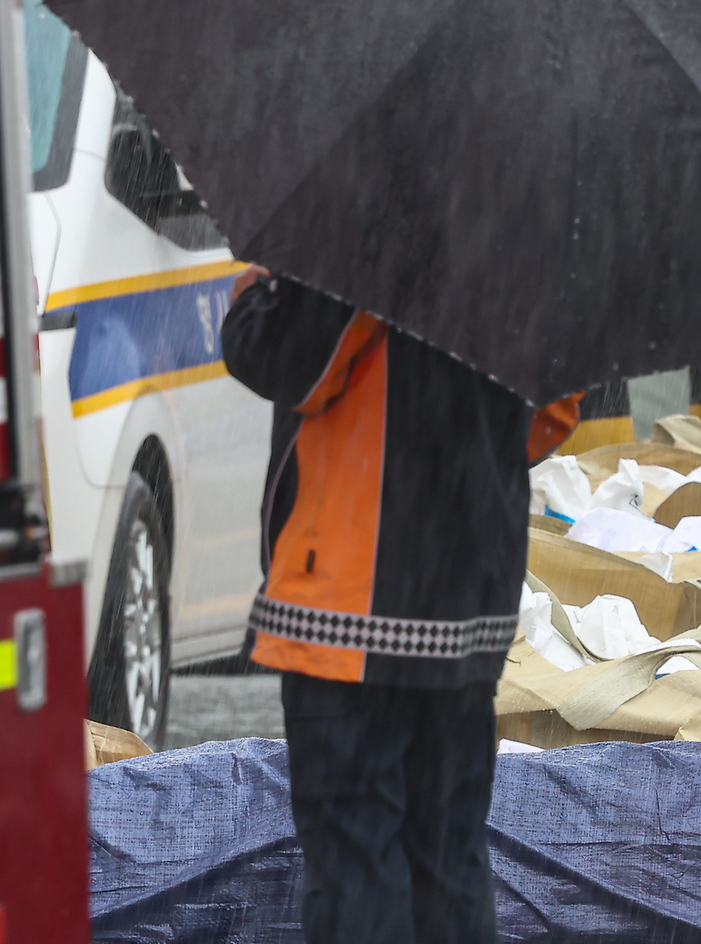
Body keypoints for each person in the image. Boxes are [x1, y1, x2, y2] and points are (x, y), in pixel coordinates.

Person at [222, 267, 533, 944]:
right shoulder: (530, 238)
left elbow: (296, 363)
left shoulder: (371, 218)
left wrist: (254, 295)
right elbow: (551, 417)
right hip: (466, 600)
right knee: (450, 856)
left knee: (355, 863)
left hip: (352, 608)